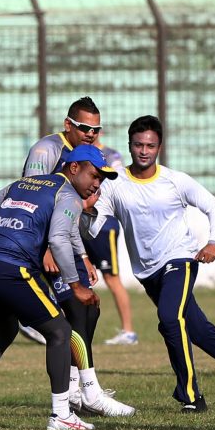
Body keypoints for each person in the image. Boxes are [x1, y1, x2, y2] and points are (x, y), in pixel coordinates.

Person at [86, 115, 215, 413]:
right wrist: (85, 210)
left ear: (159, 147)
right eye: (138, 144)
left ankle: (191, 396)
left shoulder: (175, 180)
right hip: (149, 273)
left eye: (150, 145)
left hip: (180, 260)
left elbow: (214, 207)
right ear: (130, 145)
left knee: (170, 319)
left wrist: (214, 242)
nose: (144, 151)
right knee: (202, 333)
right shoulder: (115, 184)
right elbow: (94, 227)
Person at [0, 145, 120, 430]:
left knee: (4, 330)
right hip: (11, 268)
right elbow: (59, 239)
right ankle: (61, 414)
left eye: (102, 179)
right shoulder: (69, 194)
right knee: (60, 331)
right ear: (74, 168)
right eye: (94, 175)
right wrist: (76, 286)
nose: (97, 184)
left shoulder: (21, 184)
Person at [22, 96, 134, 416]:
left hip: (67, 244)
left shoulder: (85, 156)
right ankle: (89, 391)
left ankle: (74, 388)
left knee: (90, 311)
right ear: (67, 125)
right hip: (43, 246)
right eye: (84, 127)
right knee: (74, 309)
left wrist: (82, 255)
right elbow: (33, 198)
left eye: (96, 128)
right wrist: (44, 249)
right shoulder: (47, 150)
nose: (90, 133)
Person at [83, 134, 140, 346]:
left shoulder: (110, 155)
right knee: (77, 276)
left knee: (111, 278)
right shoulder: (77, 153)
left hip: (105, 226)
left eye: (93, 130)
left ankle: (128, 331)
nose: (89, 134)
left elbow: (119, 181)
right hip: (82, 224)